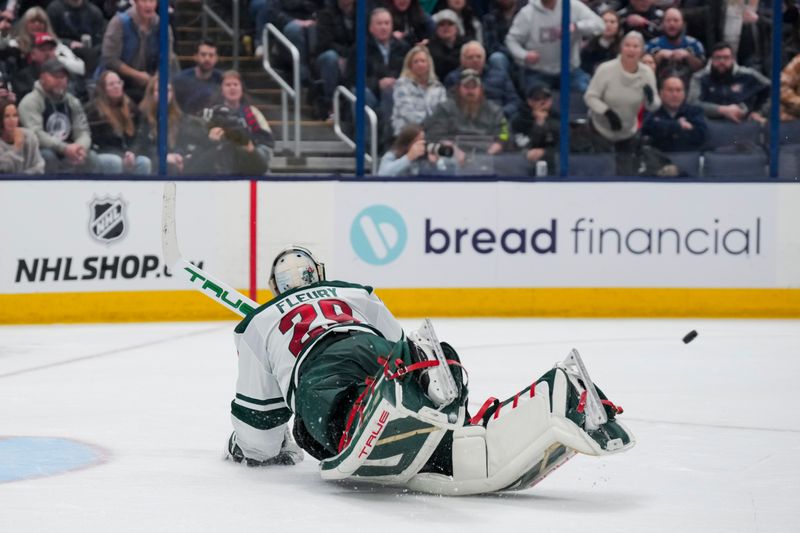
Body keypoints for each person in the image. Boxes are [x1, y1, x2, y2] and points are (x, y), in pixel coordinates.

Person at [224, 246, 634, 495]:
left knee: (325, 421)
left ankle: (367, 409)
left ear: (276, 288)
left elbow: (258, 425)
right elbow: (400, 342)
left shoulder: (257, 324)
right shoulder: (353, 292)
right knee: (410, 377)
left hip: (320, 373)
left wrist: (247, 449)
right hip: (377, 348)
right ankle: (557, 393)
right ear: (320, 273)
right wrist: (408, 367)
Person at [584, 31, 660, 175]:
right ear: (621, 48)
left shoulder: (647, 73)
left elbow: (654, 105)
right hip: (600, 130)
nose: (631, 50)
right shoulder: (606, 69)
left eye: (636, 46)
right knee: (603, 174)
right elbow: (590, 97)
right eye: (628, 45)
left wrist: (650, 99)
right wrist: (607, 112)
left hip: (628, 132)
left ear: (642, 51)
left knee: (626, 176)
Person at [17, 58, 109, 173]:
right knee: (47, 156)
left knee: (91, 157)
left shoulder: (73, 102)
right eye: (56, 77)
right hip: (39, 152)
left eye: (63, 77)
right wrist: (64, 148)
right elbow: (36, 134)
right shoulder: (30, 102)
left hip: (69, 150)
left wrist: (79, 148)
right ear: (43, 77)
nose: (60, 80)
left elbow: (83, 131)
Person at [505, 0, 604, 94]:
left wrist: (576, 26)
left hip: (570, 71)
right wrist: (524, 55)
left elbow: (599, 25)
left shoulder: (573, 6)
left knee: (587, 96)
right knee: (539, 102)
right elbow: (511, 40)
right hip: (538, 72)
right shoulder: (527, 13)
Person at [424, 68, 508, 167]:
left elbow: (504, 135)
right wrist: (453, 151)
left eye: (474, 87)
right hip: (452, 156)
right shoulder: (445, 108)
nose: (470, 91)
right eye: (466, 86)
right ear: (459, 88)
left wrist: (491, 151)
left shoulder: (495, 111)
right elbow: (435, 135)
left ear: (481, 89)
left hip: (487, 157)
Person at [99, 0, 177, 102]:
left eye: (152, 1)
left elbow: (166, 59)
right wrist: (136, 75)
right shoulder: (119, 22)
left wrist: (155, 79)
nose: (148, 5)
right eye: (144, 1)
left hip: (150, 85)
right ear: (135, 2)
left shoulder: (163, 27)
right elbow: (110, 59)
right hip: (121, 83)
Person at [136, 74, 208, 174]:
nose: (165, 94)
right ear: (152, 93)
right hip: (152, 163)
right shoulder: (141, 116)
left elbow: (182, 142)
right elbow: (140, 148)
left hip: (174, 162)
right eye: (159, 90)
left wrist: (179, 155)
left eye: (168, 90)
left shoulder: (179, 118)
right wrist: (163, 157)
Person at [206, 69, 274, 175]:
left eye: (235, 84)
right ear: (221, 90)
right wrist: (211, 140)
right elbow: (201, 145)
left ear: (241, 89)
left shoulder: (252, 113)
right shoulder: (212, 113)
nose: (232, 88)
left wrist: (252, 151)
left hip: (250, 164)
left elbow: (267, 143)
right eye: (228, 85)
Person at [85, 69, 151, 174]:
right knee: (115, 162)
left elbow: (140, 135)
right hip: (103, 154)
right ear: (103, 89)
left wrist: (132, 153)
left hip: (128, 154)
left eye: (118, 83)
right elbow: (97, 141)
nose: (116, 86)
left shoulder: (131, 107)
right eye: (111, 84)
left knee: (144, 162)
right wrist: (121, 156)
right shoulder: (94, 110)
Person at [687, 41, 770, 125]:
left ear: (733, 59)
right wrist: (722, 110)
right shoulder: (700, 77)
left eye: (726, 58)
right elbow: (692, 104)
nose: (722, 62)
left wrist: (759, 112)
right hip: (710, 126)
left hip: (743, 126)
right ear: (711, 59)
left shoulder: (748, 75)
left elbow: (774, 90)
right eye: (717, 58)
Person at [443, 40, 521, 122]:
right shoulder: (453, 78)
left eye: (478, 56)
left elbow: (514, 102)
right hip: (465, 122)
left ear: (484, 59)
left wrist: (500, 113)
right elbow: (449, 105)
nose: (475, 60)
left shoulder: (500, 76)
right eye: (470, 57)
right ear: (462, 60)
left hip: (497, 120)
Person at [390, 45, 447, 136]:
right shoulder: (401, 84)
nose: (419, 64)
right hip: (407, 132)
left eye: (423, 61)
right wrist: (428, 125)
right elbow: (406, 112)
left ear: (429, 64)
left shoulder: (438, 87)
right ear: (410, 66)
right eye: (415, 62)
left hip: (434, 133)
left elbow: (443, 113)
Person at [313, 0, 355, 121]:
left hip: (352, 55)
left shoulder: (363, 13)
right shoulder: (326, 12)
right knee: (330, 58)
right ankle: (331, 106)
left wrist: (349, 57)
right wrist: (342, 55)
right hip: (327, 55)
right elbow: (325, 42)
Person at [642, 74, 707, 152]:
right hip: (659, 158)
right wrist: (679, 126)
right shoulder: (652, 111)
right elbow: (647, 129)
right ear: (661, 93)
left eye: (678, 90)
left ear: (684, 94)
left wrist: (664, 127)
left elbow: (700, 136)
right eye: (670, 90)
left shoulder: (695, 111)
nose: (675, 94)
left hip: (687, 157)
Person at [645, 7, 705, 84]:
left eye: (676, 20)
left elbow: (702, 70)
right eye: (668, 20)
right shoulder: (652, 45)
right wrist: (657, 57)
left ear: (683, 24)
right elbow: (643, 71)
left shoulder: (694, 45)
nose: (672, 24)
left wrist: (688, 57)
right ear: (662, 24)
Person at [510, 83, 559, 175]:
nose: (542, 102)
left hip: (555, 167)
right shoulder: (519, 121)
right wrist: (538, 124)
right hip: (525, 168)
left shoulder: (559, 119)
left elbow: (565, 146)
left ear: (551, 101)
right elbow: (520, 146)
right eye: (537, 99)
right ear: (530, 102)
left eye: (545, 99)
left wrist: (545, 153)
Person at [46, 0, 106, 74]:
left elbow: (100, 38)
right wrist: (69, 43)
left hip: (90, 51)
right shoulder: (55, 9)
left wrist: (91, 47)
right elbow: (49, 35)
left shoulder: (94, 11)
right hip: (64, 50)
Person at [172, 40, 223, 116]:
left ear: (216, 58)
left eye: (211, 55)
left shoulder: (223, 79)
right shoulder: (181, 80)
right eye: (203, 55)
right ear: (195, 57)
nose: (207, 59)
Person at [0, 97, 44, 173]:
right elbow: (3, 169)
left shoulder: (29, 136)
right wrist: (16, 148)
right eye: (7, 116)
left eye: (15, 115)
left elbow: (39, 166)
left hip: (29, 182)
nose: (12, 120)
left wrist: (23, 178)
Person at [427, 9, 466, 82]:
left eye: (450, 24)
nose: (446, 27)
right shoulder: (430, 46)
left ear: (456, 28)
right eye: (441, 24)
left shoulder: (466, 44)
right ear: (436, 28)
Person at [581, 9, 623, 75]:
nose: (608, 25)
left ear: (618, 26)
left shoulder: (623, 48)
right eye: (605, 21)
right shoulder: (588, 48)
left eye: (612, 22)